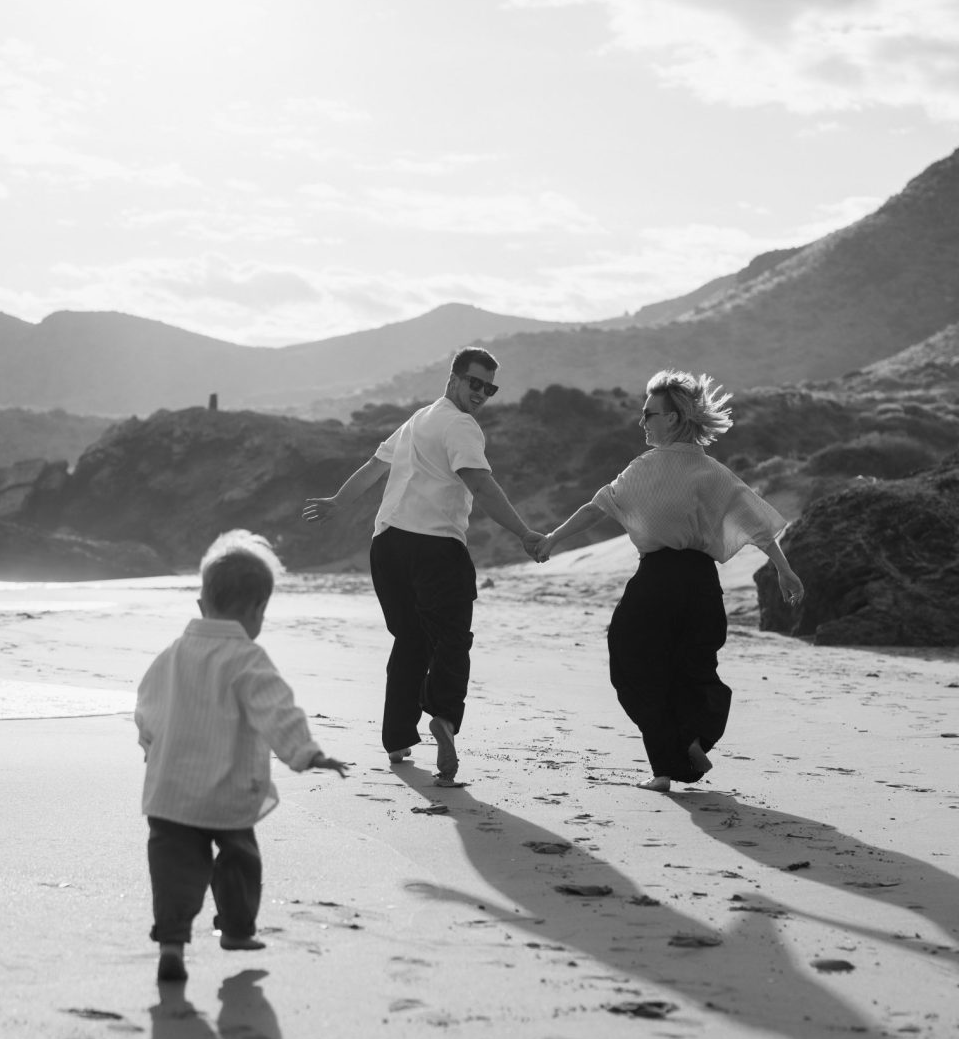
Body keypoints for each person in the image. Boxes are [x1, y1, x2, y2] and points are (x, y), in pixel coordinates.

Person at [537, 369, 804, 793]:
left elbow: (595, 508)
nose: (642, 422)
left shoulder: (642, 469)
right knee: (696, 666)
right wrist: (784, 569)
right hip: (700, 582)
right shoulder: (711, 471)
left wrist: (552, 538)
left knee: (632, 661)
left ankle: (666, 765)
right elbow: (756, 525)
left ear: (675, 419)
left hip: (657, 580)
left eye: (650, 414)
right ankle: (696, 737)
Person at [302, 346, 543, 782]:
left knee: (410, 639)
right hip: (434, 549)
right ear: (453, 378)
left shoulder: (418, 419)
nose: (481, 394)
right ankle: (445, 717)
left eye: (489, 388)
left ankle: (396, 738)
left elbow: (374, 468)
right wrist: (524, 532)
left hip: (386, 547)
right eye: (474, 383)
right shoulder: (461, 426)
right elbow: (481, 485)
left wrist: (339, 502)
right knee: (452, 640)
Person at [134, 530, 349, 983]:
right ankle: (235, 929)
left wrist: (151, 747)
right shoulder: (248, 658)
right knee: (239, 860)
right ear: (257, 611)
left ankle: (172, 944)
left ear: (200, 605)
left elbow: (147, 707)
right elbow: (277, 710)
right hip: (227, 792)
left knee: (173, 869)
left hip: (170, 791)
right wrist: (307, 753)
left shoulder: (170, 655)